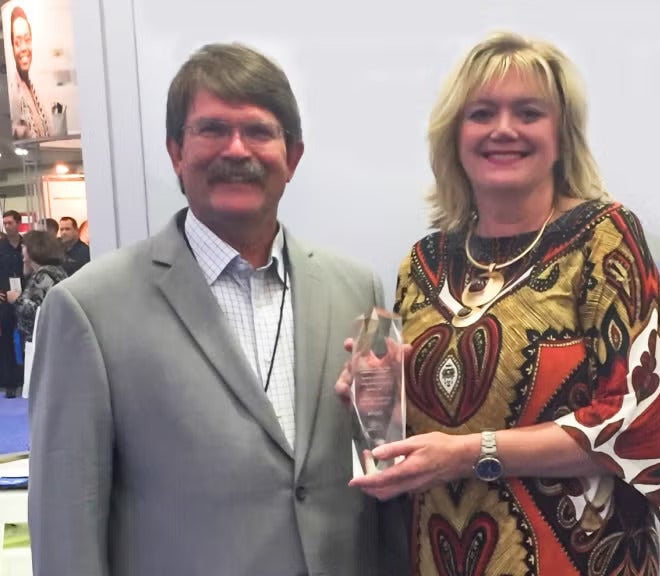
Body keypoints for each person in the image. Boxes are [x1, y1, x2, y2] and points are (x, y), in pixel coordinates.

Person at [28, 42, 405, 576]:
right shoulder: (87, 309)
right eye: (211, 130)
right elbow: (65, 526)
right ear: (176, 152)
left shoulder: (359, 290)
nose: (236, 149)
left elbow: (385, 466)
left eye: (258, 130)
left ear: (292, 157)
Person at [338, 32, 660, 575]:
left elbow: (632, 418)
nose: (503, 129)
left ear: (561, 137)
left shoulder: (605, 237)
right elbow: (411, 433)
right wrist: (375, 398)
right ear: (454, 136)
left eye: (528, 112)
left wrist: (473, 453)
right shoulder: (422, 263)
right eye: (482, 113)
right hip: (441, 557)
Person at [6, 230, 67, 342]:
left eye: (24, 247)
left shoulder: (43, 276)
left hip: (41, 340)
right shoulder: (56, 271)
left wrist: (16, 300)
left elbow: (36, 312)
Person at [8, 6, 49, 140]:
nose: (24, 48)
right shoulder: (12, 96)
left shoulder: (35, 91)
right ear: (12, 47)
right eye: (18, 42)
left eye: (27, 39)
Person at [0, 210, 23, 397]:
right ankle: (9, 382)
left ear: (18, 223)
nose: (7, 226)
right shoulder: (0, 247)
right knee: (6, 340)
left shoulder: (27, 246)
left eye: (10, 223)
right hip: (5, 299)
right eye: (4, 223)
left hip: (26, 298)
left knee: (26, 339)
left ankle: (26, 378)